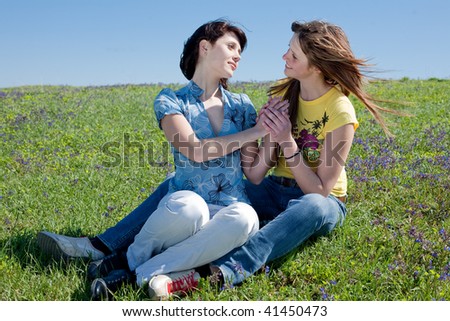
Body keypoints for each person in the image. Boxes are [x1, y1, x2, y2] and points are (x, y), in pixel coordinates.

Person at [38, 19, 397, 298]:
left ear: (316, 64)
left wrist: (285, 139)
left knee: (312, 209)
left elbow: (320, 189)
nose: (284, 58)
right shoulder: (281, 98)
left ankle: (218, 272)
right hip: (271, 188)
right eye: (288, 50)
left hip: (318, 198)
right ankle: (107, 247)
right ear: (204, 48)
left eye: (293, 54)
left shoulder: (339, 109)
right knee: (187, 188)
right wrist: (266, 136)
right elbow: (255, 176)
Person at [38, 19, 287, 300]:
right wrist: (255, 131)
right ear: (205, 47)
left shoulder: (241, 105)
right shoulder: (171, 101)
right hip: (183, 207)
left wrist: (275, 132)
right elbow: (194, 149)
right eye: (231, 46)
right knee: (193, 208)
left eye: (240, 50)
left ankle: (130, 269)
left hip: (228, 214)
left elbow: (253, 174)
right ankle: (139, 264)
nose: (238, 55)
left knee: (246, 217)